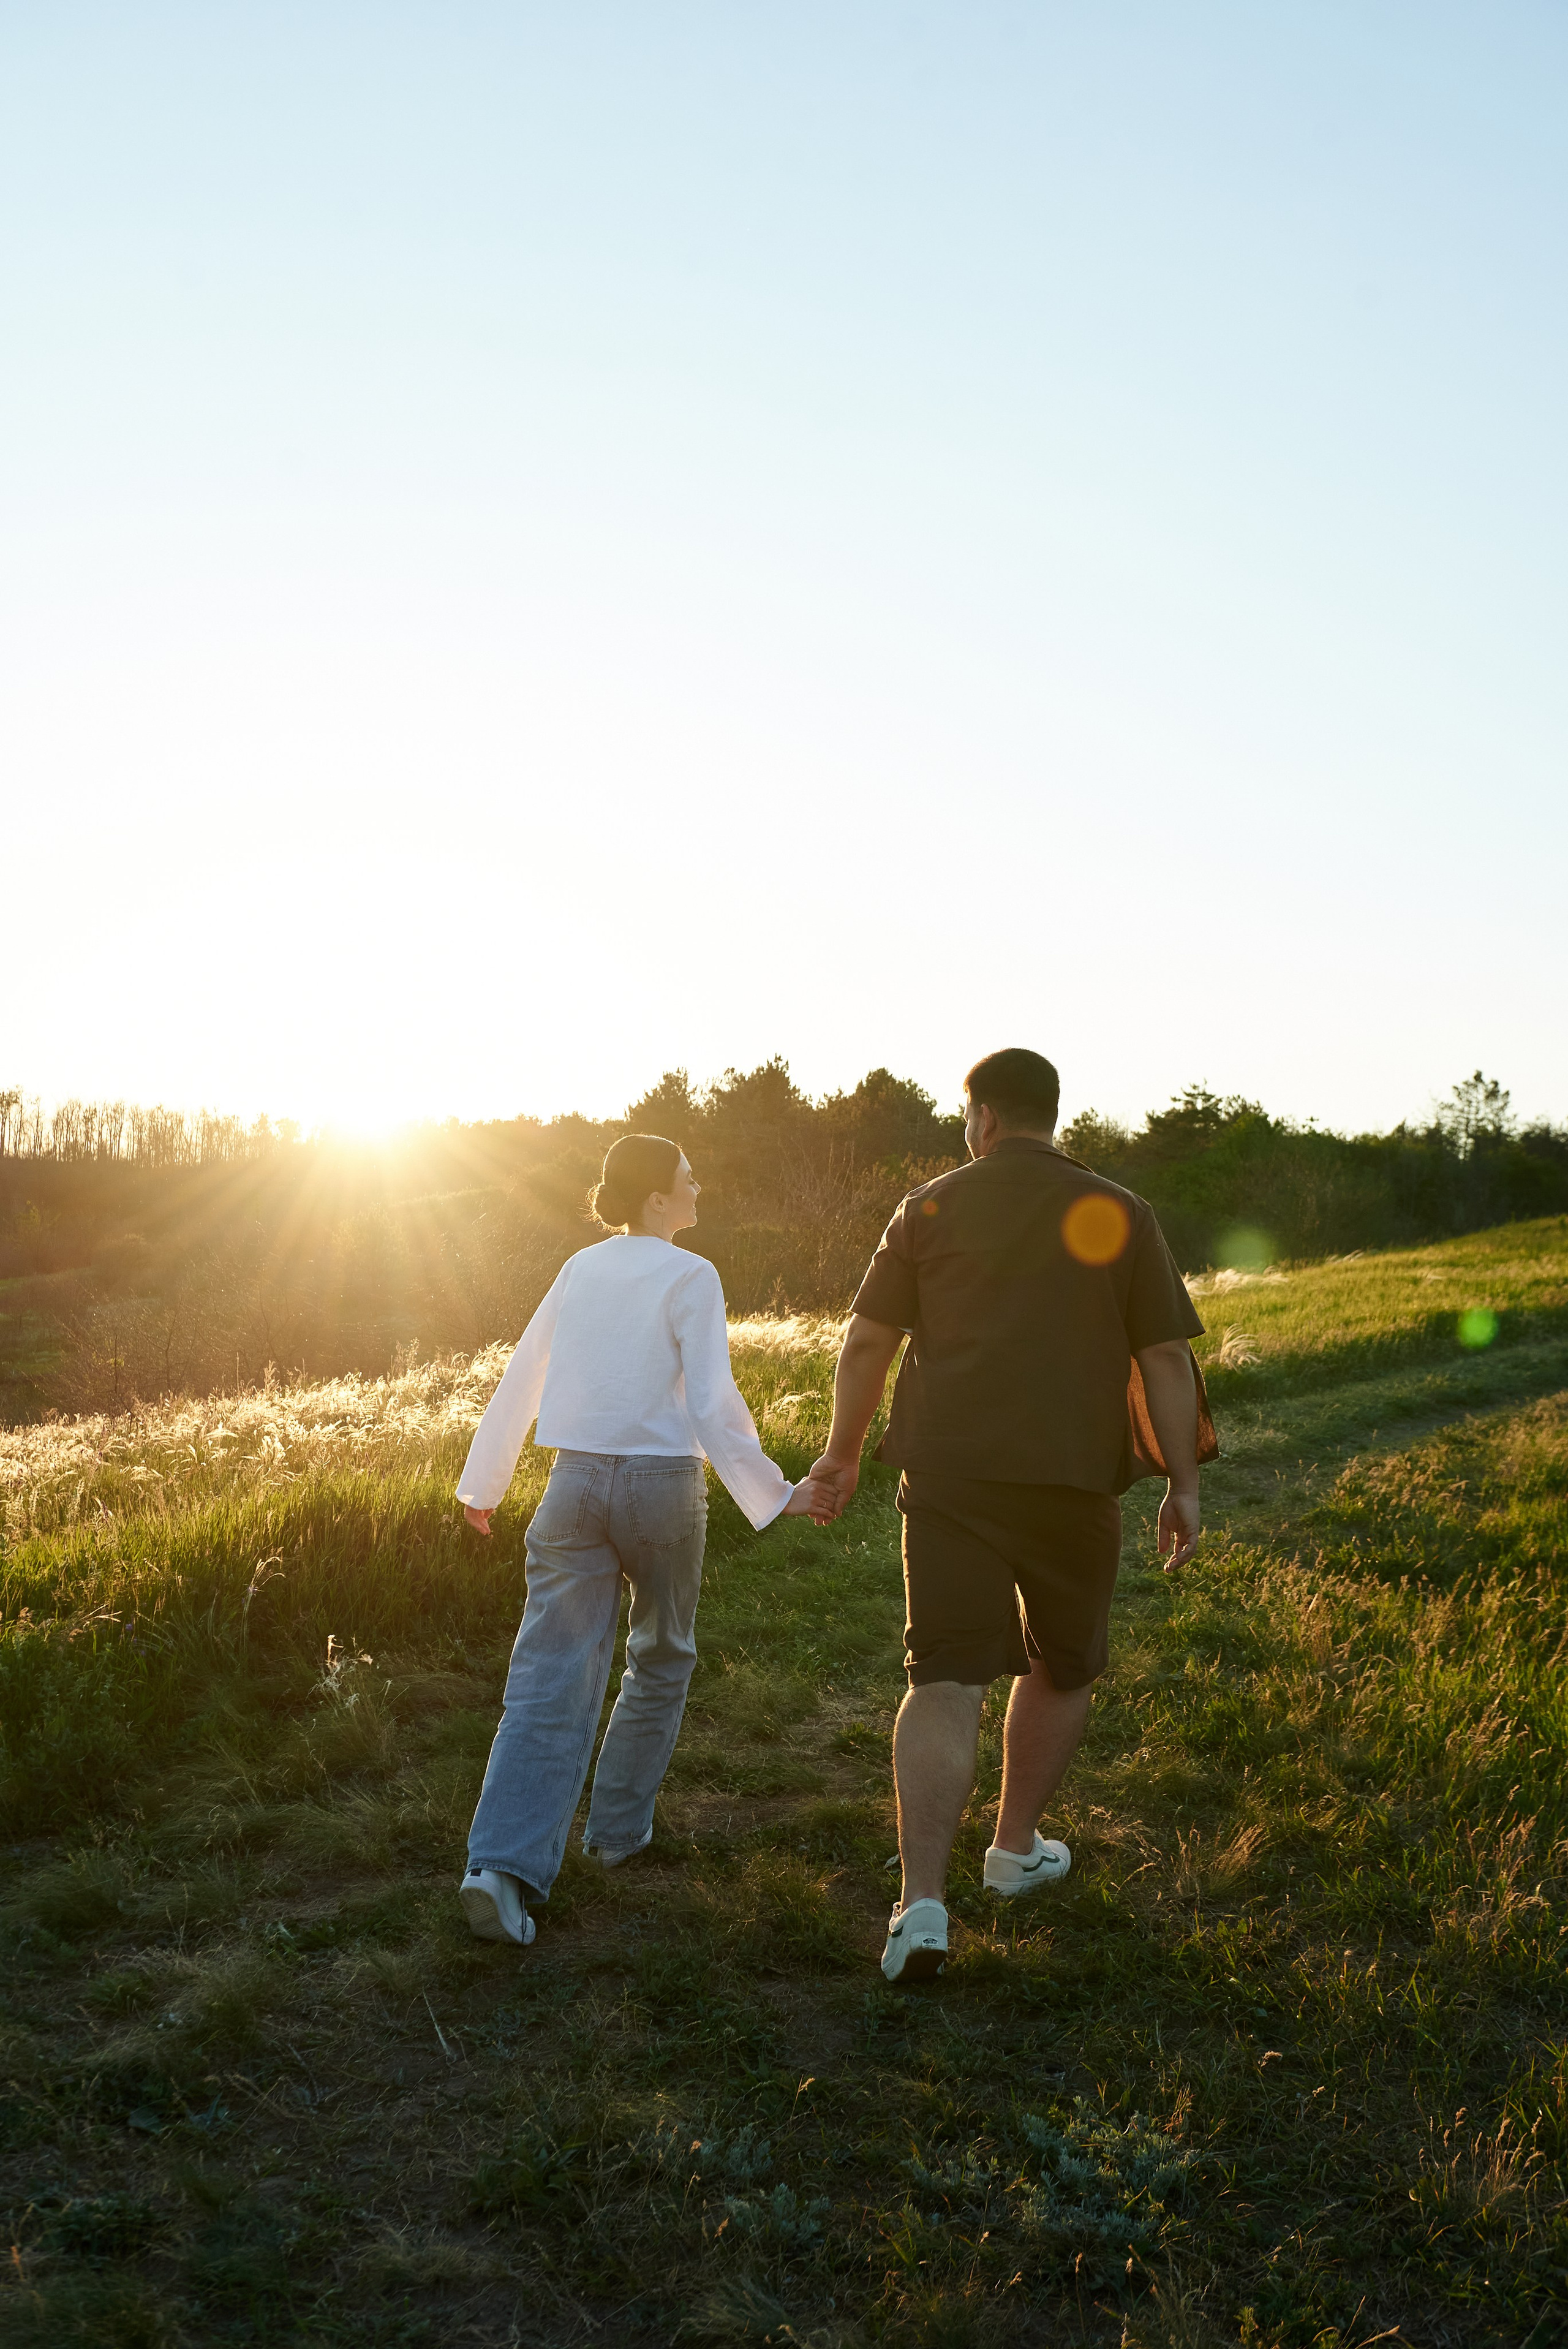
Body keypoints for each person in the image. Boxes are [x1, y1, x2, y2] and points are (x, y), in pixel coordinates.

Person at [807, 1049, 1207, 1984]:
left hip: (947, 1474)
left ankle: (922, 1906)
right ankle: (1013, 1848)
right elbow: (1165, 1358)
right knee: (1062, 1663)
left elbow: (869, 1337)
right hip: (1073, 1481)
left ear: (982, 1117)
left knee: (944, 1673)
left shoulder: (930, 1205)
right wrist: (1182, 1482)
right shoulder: (1120, 1210)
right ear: (1050, 1115)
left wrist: (843, 1449)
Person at [455, 1132, 831, 1948]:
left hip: (572, 1485)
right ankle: (617, 1835)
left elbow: (526, 1371)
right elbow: (710, 1398)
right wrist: (778, 1492)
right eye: (688, 1178)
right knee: (659, 1652)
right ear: (658, 1197)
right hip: (662, 1487)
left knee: (549, 1669)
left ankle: (499, 1869)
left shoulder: (579, 1267)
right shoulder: (692, 1276)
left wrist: (483, 1483)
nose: (700, 1187)